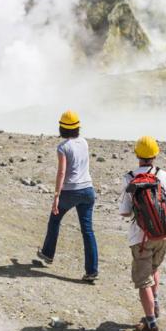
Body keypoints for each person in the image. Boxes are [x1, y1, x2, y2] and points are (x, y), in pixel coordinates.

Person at [117, 135, 166, 331]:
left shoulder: (129, 178)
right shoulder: (165, 177)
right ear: (155, 155)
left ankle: (150, 324)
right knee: (154, 270)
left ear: (137, 154)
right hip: (163, 234)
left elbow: (124, 212)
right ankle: (156, 303)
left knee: (143, 281)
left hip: (140, 237)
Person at [36, 110, 98, 281]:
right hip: (88, 190)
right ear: (77, 127)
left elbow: (62, 172)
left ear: (61, 128)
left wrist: (56, 195)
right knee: (88, 230)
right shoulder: (84, 142)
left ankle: (48, 254)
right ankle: (92, 270)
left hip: (70, 191)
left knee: (55, 220)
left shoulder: (62, 147)